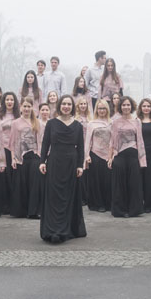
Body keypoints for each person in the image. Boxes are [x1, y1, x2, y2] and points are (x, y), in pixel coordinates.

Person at [39, 94, 87, 244]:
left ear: (73, 107)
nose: (66, 106)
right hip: (54, 162)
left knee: (68, 197)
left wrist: (80, 165)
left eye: (69, 104)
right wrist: (42, 162)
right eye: (64, 104)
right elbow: (45, 144)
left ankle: (65, 230)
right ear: (59, 106)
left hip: (71, 164)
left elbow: (80, 148)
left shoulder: (78, 126)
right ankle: (52, 230)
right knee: (54, 196)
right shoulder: (51, 123)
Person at [108, 96, 147, 218]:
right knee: (119, 184)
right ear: (120, 107)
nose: (126, 107)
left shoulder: (137, 121)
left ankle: (134, 210)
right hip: (119, 155)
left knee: (134, 183)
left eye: (128, 105)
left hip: (133, 154)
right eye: (124, 105)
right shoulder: (115, 122)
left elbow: (140, 140)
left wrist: (142, 160)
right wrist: (110, 158)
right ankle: (120, 210)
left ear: (132, 106)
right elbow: (112, 141)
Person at [9, 97, 42, 218]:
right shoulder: (15, 123)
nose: (27, 108)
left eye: (29, 106)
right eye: (25, 106)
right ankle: (21, 211)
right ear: (21, 107)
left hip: (34, 156)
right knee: (21, 185)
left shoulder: (37, 122)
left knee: (34, 184)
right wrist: (13, 158)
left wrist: (41, 157)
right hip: (20, 157)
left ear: (32, 108)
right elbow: (12, 142)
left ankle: (33, 211)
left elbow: (40, 141)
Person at [84, 99, 112, 212]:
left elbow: (114, 140)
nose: (102, 110)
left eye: (104, 108)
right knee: (96, 181)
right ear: (96, 109)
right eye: (100, 108)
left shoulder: (112, 122)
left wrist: (112, 155)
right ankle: (97, 204)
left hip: (108, 155)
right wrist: (86, 155)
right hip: (95, 154)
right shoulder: (91, 123)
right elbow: (87, 141)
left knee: (107, 180)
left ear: (107, 109)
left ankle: (108, 203)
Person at [0, 92, 21, 214]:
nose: (9, 102)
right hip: (4, 148)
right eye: (7, 99)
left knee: (15, 177)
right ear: (4, 101)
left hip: (17, 149)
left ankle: (15, 205)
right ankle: (4, 205)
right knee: (4, 178)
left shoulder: (19, 115)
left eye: (12, 99)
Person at [75, 97, 92, 205]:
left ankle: (88, 196)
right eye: (81, 104)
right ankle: (80, 197)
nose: (83, 106)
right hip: (79, 146)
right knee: (80, 170)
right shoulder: (75, 119)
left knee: (88, 172)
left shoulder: (90, 118)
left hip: (89, 145)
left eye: (85, 104)